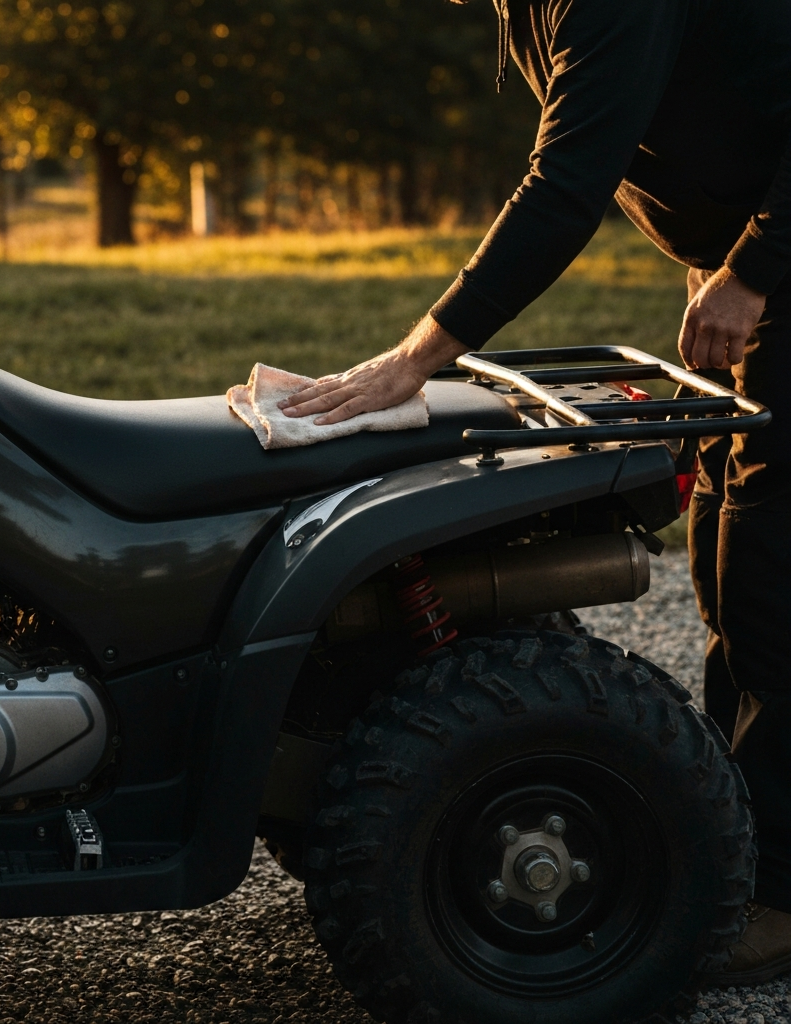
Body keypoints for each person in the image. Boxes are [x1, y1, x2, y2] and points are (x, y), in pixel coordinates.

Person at [279, 0, 791, 986]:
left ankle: (782, 893)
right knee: (729, 564)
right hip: (746, 274)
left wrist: (417, 357)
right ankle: (740, 848)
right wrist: (714, 267)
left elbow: (566, 182)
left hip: (777, 272)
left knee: (772, 576)